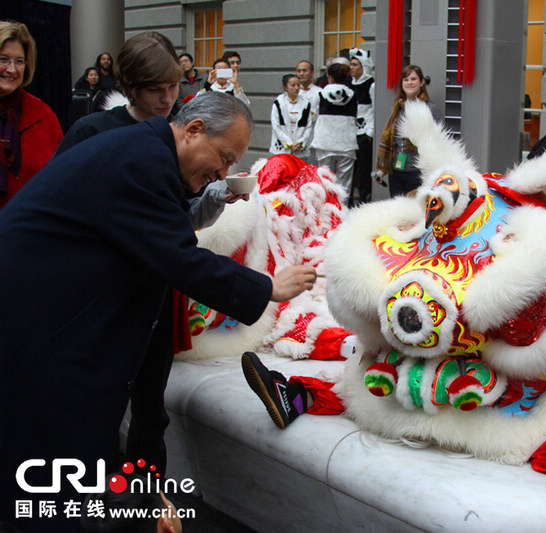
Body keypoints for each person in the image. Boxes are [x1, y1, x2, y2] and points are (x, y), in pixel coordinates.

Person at [0, 92, 318, 532]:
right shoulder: (141, 162)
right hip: (41, 324)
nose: (223, 172)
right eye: (224, 158)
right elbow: (178, 257)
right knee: (51, 464)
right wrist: (266, 287)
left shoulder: (149, 154)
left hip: (54, 320)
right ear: (193, 130)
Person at [56, 31, 182, 156]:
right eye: (154, 89)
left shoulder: (183, 133)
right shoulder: (90, 131)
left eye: (173, 86)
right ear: (129, 85)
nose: (167, 99)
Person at [0, 20, 63, 210]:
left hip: (29, 232)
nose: (12, 69)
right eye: (3, 59)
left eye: (19, 61)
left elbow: (61, 178)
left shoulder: (42, 114)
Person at [375, 64, 443, 197]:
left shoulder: (430, 109)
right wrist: (382, 171)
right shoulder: (398, 108)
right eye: (406, 80)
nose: (409, 83)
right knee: (397, 211)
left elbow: (439, 142)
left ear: (422, 82)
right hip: (397, 170)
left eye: (413, 79)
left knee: (414, 212)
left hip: (418, 172)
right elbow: (393, 141)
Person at [310, 61, 358, 199]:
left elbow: (313, 116)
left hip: (325, 142)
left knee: (324, 183)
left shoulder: (320, 94)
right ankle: (342, 215)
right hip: (346, 143)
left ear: (329, 76)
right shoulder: (352, 95)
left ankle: (326, 216)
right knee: (344, 186)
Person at [350, 48, 375, 205]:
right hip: (349, 133)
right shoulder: (348, 84)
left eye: (355, 65)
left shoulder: (371, 85)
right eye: (351, 64)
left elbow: (375, 109)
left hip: (364, 133)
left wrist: (370, 133)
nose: (351, 67)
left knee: (364, 169)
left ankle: (365, 199)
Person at [270, 73, 312, 160]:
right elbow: (276, 126)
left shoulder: (306, 103)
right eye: (293, 85)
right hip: (282, 150)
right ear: (285, 87)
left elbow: (308, 126)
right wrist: (288, 143)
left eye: (298, 85)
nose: (296, 88)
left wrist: (300, 142)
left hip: (299, 150)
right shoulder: (279, 103)